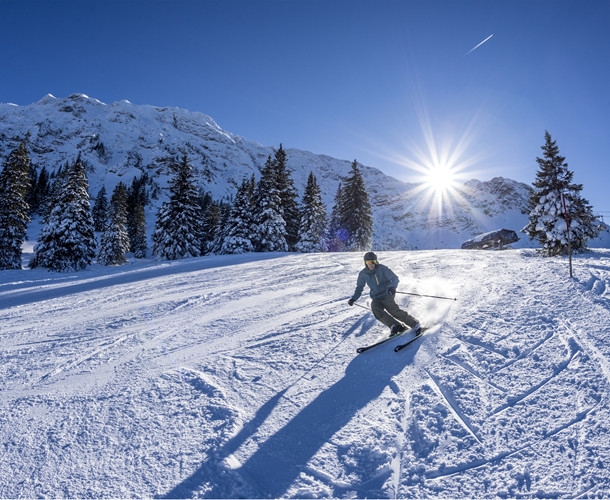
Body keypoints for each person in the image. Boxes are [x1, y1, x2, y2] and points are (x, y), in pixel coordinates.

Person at [348, 251, 420, 335]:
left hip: (387, 293)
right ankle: (396, 325)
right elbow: (359, 287)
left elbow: (395, 278)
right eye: (368, 262)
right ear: (365, 263)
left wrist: (392, 287)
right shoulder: (363, 274)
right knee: (376, 309)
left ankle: (414, 323)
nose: (371, 264)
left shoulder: (382, 269)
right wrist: (353, 298)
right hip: (376, 297)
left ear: (376, 261)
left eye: (373, 262)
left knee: (393, 311)